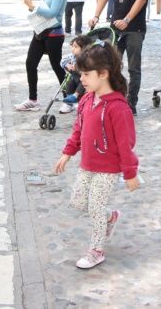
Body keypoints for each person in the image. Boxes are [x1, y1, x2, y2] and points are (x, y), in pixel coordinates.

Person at [53, 40, 140, 269]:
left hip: (108, 169)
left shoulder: (118, 107)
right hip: (87, 165)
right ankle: (110, 216)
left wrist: (130, 173)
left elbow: (126, 144)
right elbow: (78, 130)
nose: (81, 79)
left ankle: (96, 250)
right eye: (80, 74)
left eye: (86, 74)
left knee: (95, 208)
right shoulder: (86, 99)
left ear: (103, 74)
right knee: (78, 202)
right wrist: (67, 153)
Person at [88, 0, 153, 115]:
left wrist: (127, 20)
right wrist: (96, 16)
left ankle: (131, 104)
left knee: (133, 68)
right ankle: (112, 101)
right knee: (110, 66)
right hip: (115, 28)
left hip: (135, 29)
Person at [15, 0, 68, 111]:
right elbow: (43, 11)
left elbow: (52, 12)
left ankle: (69, 99)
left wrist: (33, 6)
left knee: (57, 66)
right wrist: (31, 7)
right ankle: (33, 99)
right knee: (30, 63)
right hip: (40, 31)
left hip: (54, 33)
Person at [59, 34, 95, 113]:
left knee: (82, 83)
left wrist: (79, 68)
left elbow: (90, 68)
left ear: (83, 48)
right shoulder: (72, 56)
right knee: (69, 84)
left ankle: (76, 96)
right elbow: (62, 60)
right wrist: (67, 65)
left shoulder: (87, 57)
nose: (73, 49)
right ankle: (69, 103)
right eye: (72, 46)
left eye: (75, 47)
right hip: (74, 77)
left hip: (84, 77)